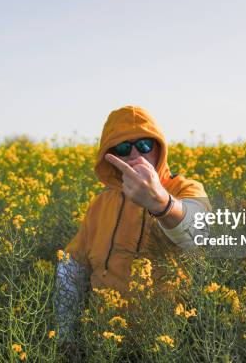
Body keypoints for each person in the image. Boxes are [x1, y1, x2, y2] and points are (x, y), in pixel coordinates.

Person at [53, 105, 211, 350]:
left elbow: (199, 232)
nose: (136, 154)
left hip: (165, 346)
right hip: (104, 347)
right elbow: (72, 268)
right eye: (124, 148)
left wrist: (162, 204)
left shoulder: (184, 189)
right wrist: (66, 337)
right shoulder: (101, 203)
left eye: (145, 145)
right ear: (111, 157)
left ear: (159, 148)